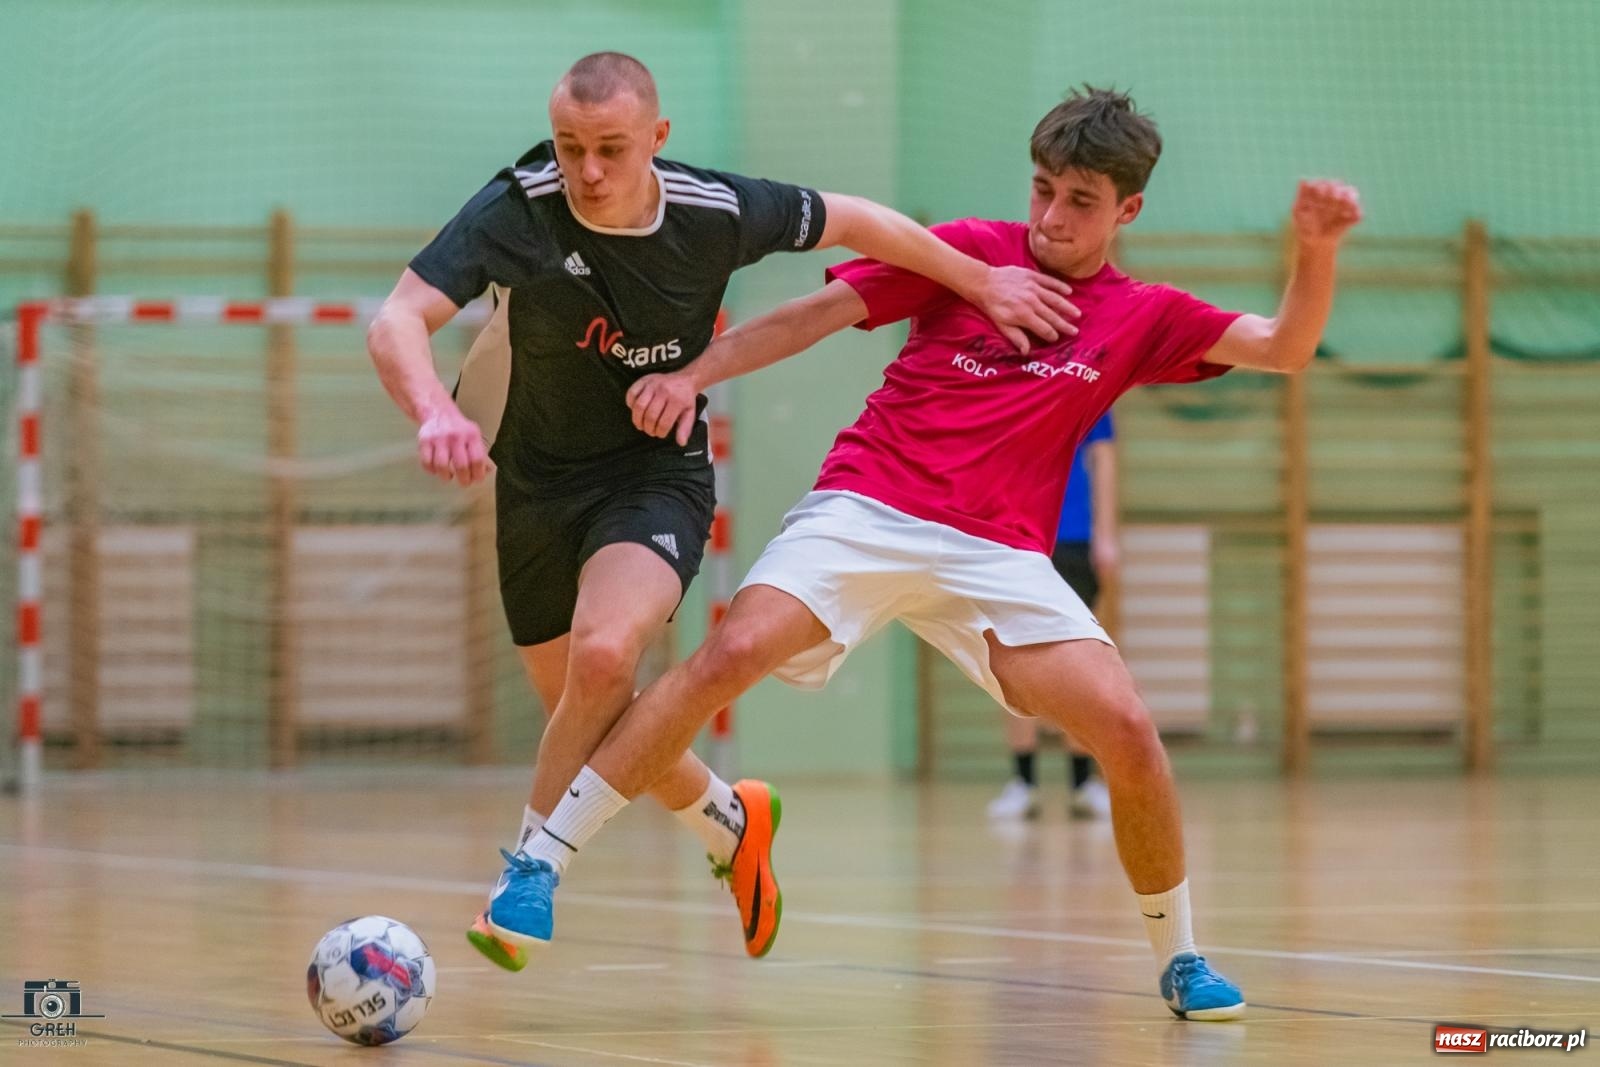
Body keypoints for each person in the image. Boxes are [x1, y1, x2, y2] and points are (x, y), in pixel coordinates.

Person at [493, 86, 1361, 1021]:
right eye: (1042, 190)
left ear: (1127, 210)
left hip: (1001, 554)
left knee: (1129, 730)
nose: (1051, 217)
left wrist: (1314, 252)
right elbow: (812, 317)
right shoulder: (970, 255)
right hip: (868, 507)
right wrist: (696, 373)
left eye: (1079, 201)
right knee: (730, 655)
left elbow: (1284, 347)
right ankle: (542, 858)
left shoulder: (1142, 313)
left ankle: (1182, 955)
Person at [365, 52, 1078, 971]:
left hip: (652, 475)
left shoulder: (715, 211)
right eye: (571, 146)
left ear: (657, 141)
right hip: (535, 487)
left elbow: (857, 218)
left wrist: (978, 281)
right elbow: (396, 320)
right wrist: (434, 409)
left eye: (611, 149)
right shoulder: (520, 208)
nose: (586, 171)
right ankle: (730, 820)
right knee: (595, 716)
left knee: (606, 654)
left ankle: (531, 871)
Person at [988, 411, 1117, 821]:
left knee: (1081, 666)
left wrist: (1106, 534)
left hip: (1073, 537)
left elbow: (1104, 456)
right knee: (1011, 659)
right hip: (1015, 536)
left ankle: (1083, 781)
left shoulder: (1091, 376)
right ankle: (1023, 781)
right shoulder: (1002, 377)